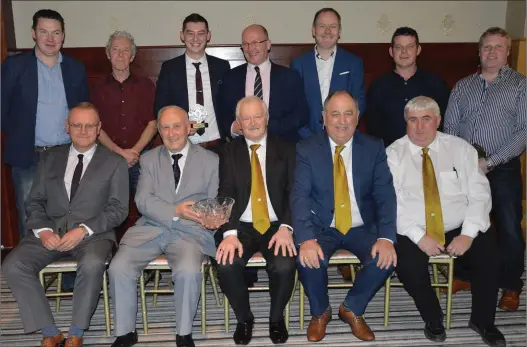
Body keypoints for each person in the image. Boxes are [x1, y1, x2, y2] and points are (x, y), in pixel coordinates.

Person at [2, 103, 129, 347]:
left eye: (90, 125)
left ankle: (76, 332)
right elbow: (35, 201)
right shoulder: (49, 158)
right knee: (13, 264)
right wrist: (43, 230)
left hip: (94, 234)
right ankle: (51, 331)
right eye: (77, 125)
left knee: (92, 264)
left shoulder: (114, 162)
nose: (83, 130)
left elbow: (118, 209)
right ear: (67, 127)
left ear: (99, 128)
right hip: (50, 230)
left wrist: (83, 230)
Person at [387, 96, 505, 346]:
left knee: (489, 255)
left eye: (426, 119)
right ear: (405, 122)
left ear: (438, 121)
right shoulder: (393, 154)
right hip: (412, 227)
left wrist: (468, 234)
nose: (419, 127)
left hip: (457, 226)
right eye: (413, 120)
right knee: (407, 264)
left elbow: (480, 193)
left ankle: (483, 321)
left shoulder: (460, 149)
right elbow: (391, 202)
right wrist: (419, 236)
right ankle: (433, 317)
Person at [108, 106, 220, 347]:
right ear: (158, 130)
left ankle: (183, 333)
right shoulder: (148, 159)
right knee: (118, 267)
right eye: (165, 127)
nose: (171, 133)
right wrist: (175, 211)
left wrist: (210, 218)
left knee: (189, 270)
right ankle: (125, 332)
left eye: (176, 126)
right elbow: (143, 200)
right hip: (151, 227)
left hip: (191, 231)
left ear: (189, 128)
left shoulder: (211, 161)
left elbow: (213, 202)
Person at [292, 90, 397, 342]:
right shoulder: (307, 148)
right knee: (309, 259)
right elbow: (299, 196)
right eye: (335, 114)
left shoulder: (373, 147)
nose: (342, 121)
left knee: (385, 259)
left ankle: (352, 308)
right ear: (324, 118)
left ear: (357, 116)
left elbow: (385, 195)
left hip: (361, 226)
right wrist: (306, 238)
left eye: (348, 113)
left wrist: (386, 237)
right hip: (322, 226)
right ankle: (320, 312)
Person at [444, 27, 526, 311]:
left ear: (508, 53)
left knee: (508, 226)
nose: (491, 52)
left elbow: (523, 132)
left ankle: (511, 285)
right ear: (479, 51)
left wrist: (489, 162)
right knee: (463, 221)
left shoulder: (520, 85)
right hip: (464, 169)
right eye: (486, 47)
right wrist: (461, 162)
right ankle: (465, 275)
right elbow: (451, 128)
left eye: (498, 47)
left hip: (501, 167)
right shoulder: (462, 86)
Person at [215, 96, 296, 345]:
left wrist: (287, 227)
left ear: (267, 118)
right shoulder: (229, 151)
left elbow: (296, 192)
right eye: (246, 118)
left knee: (283, 265)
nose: (252, 122)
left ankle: (275, 318)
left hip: (276, 224)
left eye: (257, 116)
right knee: (227, 264)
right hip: (241, 225)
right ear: (238, 123)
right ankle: (244, 318)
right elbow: (226, 192)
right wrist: (229, 233)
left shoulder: (288, 149)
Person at [1, 9, 89, 237]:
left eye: (56, 33)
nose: (50, 39)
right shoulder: (14, 67)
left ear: (63, 36)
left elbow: (84, 111)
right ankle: (30, 271)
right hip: (28, 156)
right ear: (33, 34)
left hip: (66, 154)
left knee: (68, 216)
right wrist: (20, 134)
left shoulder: (75, 68)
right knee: (30, 219)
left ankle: (66, 272)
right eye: (44, 32)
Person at [91, 30, 157, 196]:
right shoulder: (96, 88)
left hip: (141, 158)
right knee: (111, 212)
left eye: (126, 50)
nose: (120, 55)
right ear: (108, 54)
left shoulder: (146, 85)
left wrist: (134, 152)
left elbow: (153, 122)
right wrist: (120, 153)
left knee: (146, 207)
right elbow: (94, 126)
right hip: (108, 158)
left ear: (132, 56)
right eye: (115, 49)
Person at [217, 24, 308, 142]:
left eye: (255, 42)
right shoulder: (230, 77)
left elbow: (301, 114)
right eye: (246, 44)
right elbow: (222, 112)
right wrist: (232, 128)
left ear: (268, 44)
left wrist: (266, 128)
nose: (250, 48)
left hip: (281, 147)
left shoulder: (290, 77)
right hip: (242, 149)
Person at [154, 13, 231, 152]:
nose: (195, 38)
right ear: (182, 36)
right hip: (182, 144)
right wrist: (179, 124)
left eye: (201, 33)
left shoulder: (222, 67)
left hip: (218, 144)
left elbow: (229, 103)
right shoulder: (169, 68)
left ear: (208, 35)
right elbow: (160, 107)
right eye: (190, 33)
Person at [365, 27, 450, 147]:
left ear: (418, 50)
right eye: (399, 47)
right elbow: (373, 129)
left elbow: (444, 123)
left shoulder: (436, 84)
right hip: (390, 156)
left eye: (410, 46)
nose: (404, 52)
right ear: (391, 51)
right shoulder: (378, 87)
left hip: (428, 154)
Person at [291, 8, 365, 139]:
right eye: (322, 26)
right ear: (314, 30)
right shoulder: (298, 64)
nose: (327, 31)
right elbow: (294, 106)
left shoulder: (353, 63)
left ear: (339, 31)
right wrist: (307, 136)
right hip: (307, 139)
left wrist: (344, 131)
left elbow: (359, 102)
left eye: (333, 26)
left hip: (344, 136)